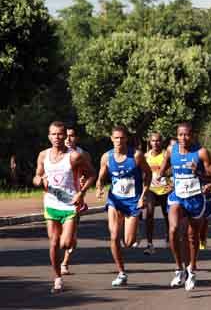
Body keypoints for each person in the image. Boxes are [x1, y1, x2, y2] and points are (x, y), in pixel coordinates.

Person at [33, 121, 96, 293]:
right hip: (51, 204)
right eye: (53, 134)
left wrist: (81, 193)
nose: (57, 137)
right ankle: (58, 278)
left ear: (65, 136)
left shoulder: (74, 156)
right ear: (49, 136)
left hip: (69, 205)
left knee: (65, 243)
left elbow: (91, 174)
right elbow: (37, 176)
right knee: (53, 243)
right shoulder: (43, 156)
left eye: (60, 134)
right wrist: (38, 180)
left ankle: (72, 238)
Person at [158, 123, 211, 291]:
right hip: (177, 197)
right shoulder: (171, 150)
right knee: (173, 229)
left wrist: (198, 173)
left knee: (192, 237)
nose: (184, 138)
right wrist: (163, 180)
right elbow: (162, 171)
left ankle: (192, 270)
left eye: (187, 135)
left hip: (195, 199)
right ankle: (179, 269)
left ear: (193, 135)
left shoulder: (201, 153)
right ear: (176, 136)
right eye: (180, 135)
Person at [96, 125, 152, 287]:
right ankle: (121, 272)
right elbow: (101, 175)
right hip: (115, 200)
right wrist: (99, 186)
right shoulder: (107, 157)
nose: (119, 141)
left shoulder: (136, 156)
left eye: (122, 138)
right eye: (116, 138)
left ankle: (136, 230)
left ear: (126, 139)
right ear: (112, 139)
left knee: (128, 242)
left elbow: (148, 175)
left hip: (133, 202)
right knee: (113, 236)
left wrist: (144, 195)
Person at [60, 126, 93, 276]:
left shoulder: (83, 154)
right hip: (56, 199)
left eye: (71, 136)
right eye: (65, 135)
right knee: (57, 235)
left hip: (74, 199)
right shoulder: (53, 153)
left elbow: (91, 174)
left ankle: (65, 262)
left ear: (76, 138)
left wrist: (83, 183)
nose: (68, 139)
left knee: (71, 233)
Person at [142, 132, 171, 255]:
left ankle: (170, 238)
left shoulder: (166, 155)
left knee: (167, 216)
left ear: (162, 142)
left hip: (165, 189)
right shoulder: (145, 156)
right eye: (153, 141)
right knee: (149, 214)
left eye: (158, 141)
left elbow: (172, 171)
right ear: (150, 142)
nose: (155, 143)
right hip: (151, 189)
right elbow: (142, 173)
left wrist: (167, 174)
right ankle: (149, 244)